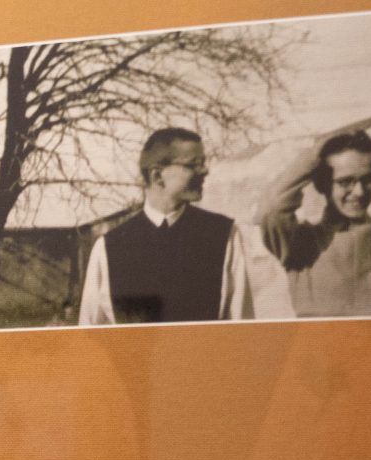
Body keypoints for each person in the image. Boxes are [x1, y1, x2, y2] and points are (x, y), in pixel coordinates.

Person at [78, 127, 254, 326]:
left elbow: (242, 328)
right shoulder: (109, 247)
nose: (205, 171)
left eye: (203, 163)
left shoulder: (223, 235)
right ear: (157, 176)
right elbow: (90, 334)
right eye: (193, 165)